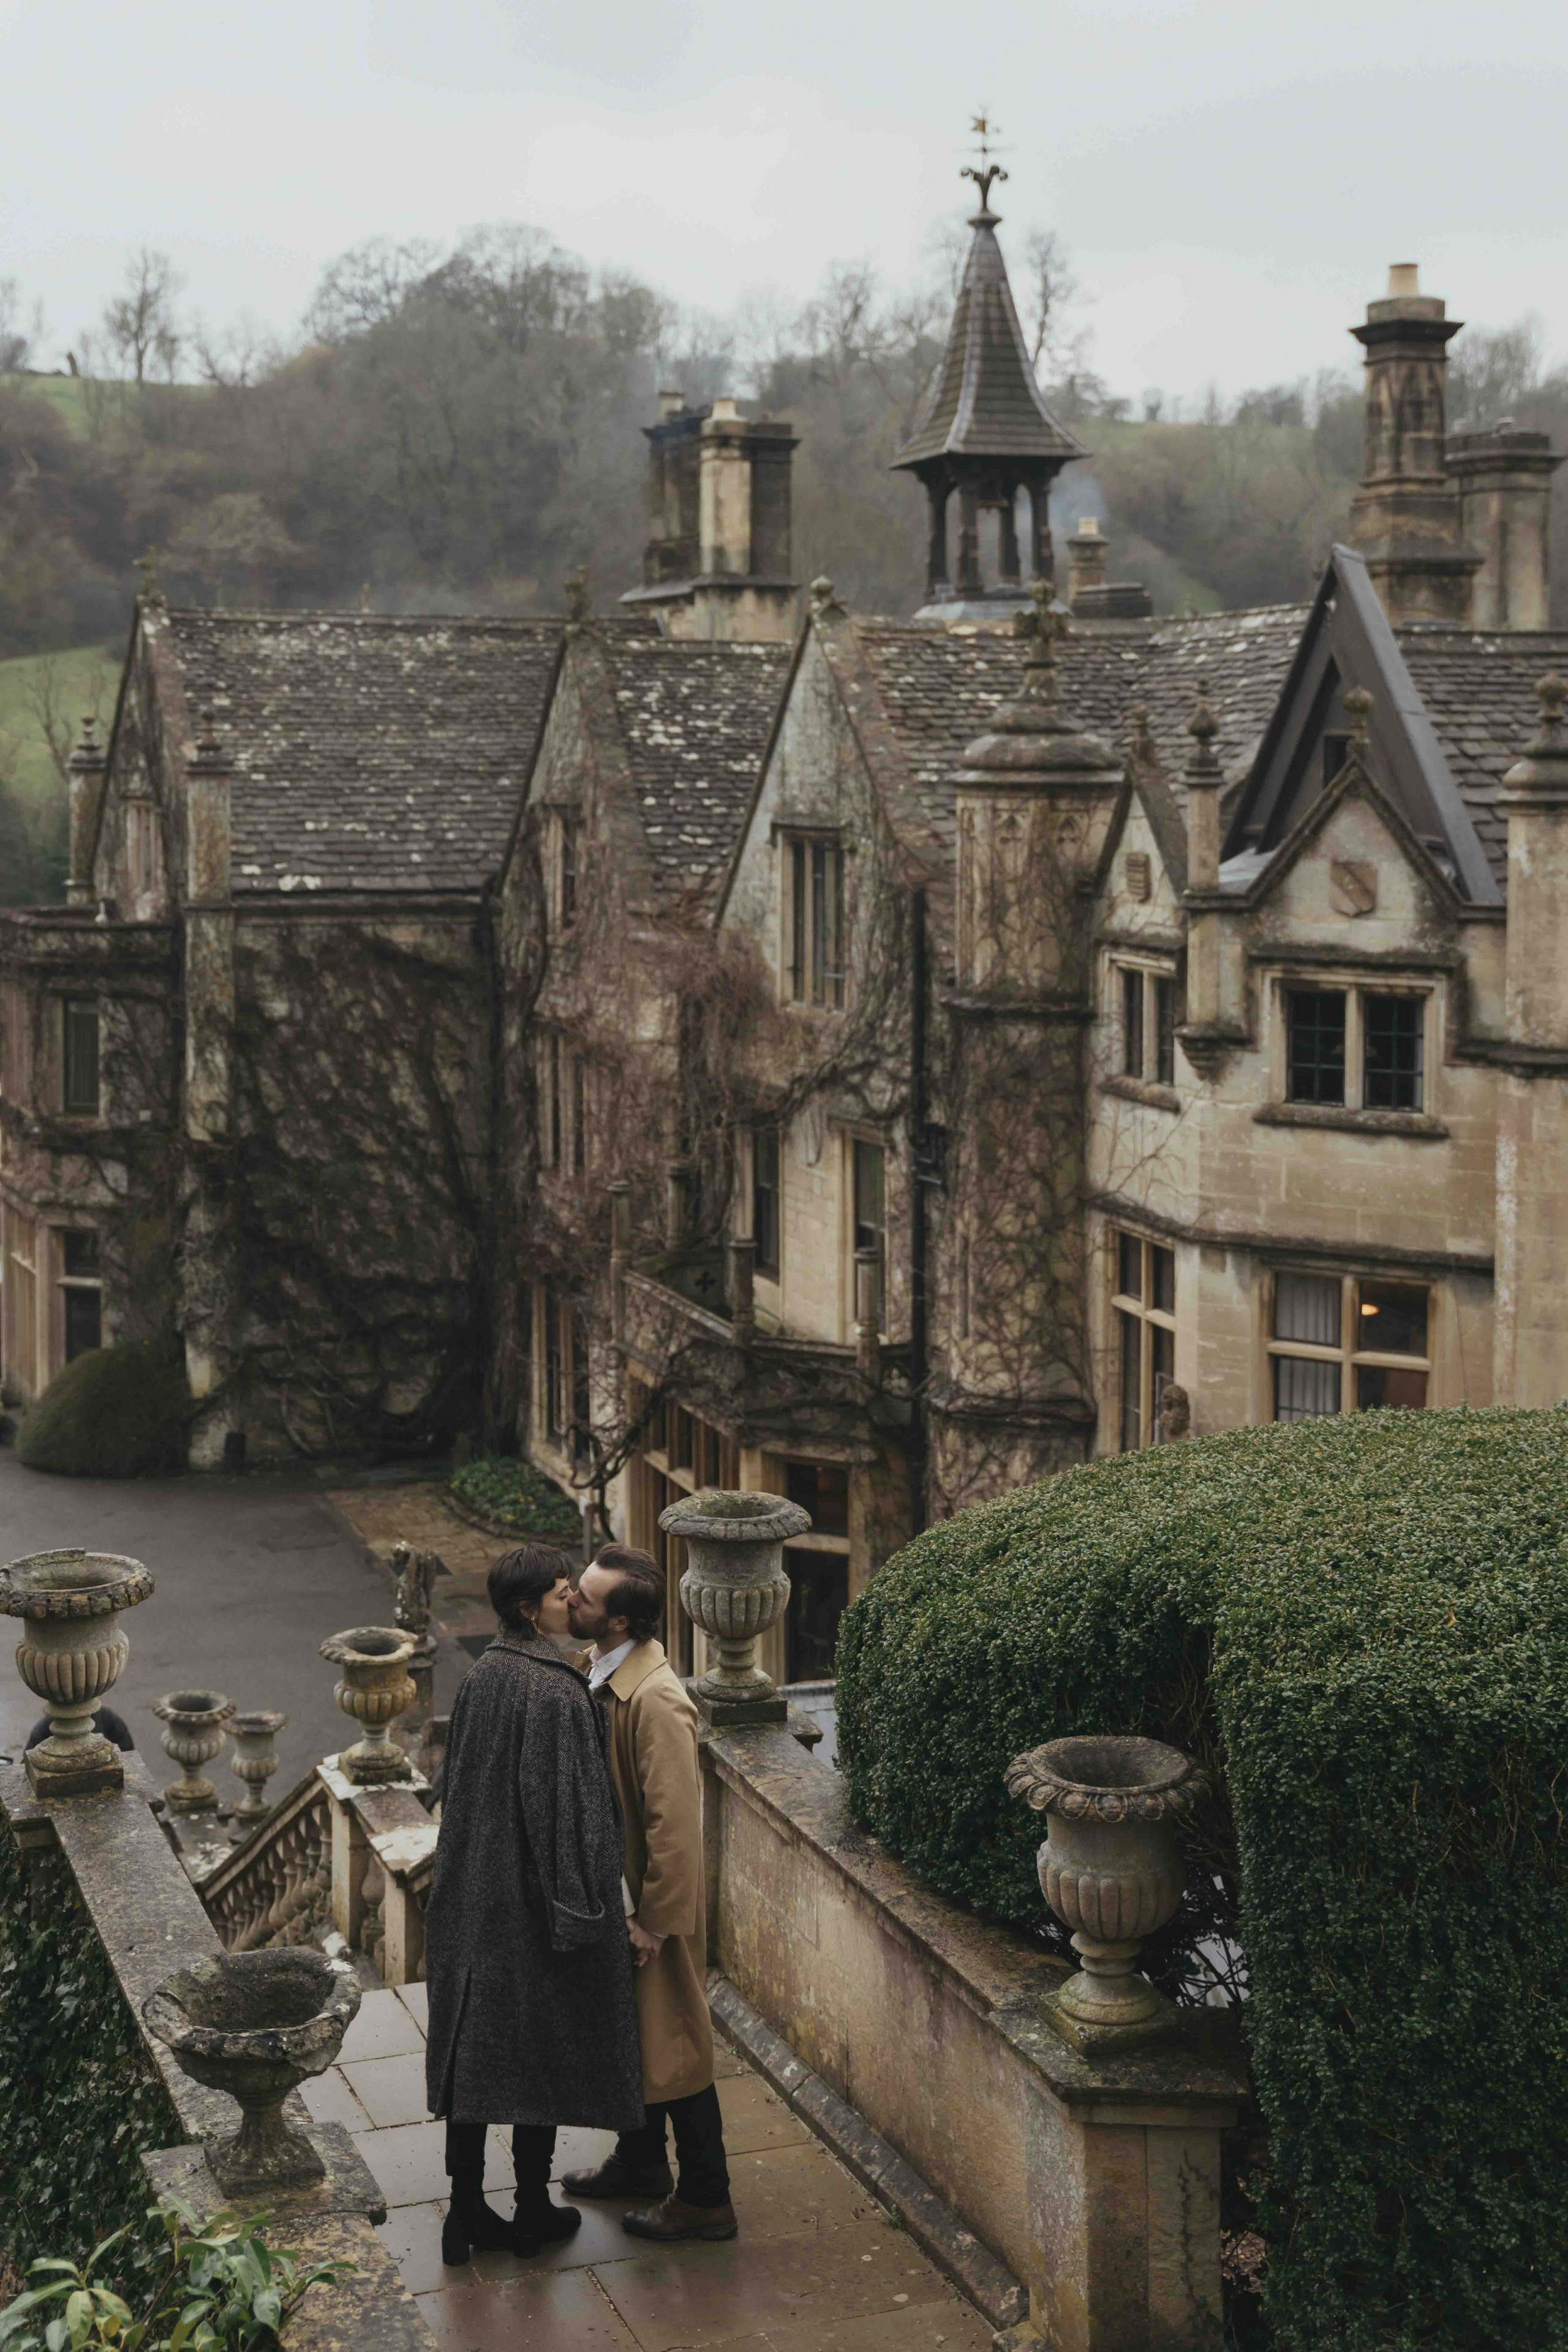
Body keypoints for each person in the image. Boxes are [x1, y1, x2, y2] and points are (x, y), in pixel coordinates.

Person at [423, 1544, 644, 2266]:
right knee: (535, 2063)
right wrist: (586, 1912)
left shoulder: (485, 1672)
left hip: (470, 1901)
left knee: (474, 2063)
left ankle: (464, 2216)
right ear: (528, 1609)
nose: (571, 1603)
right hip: (529, 1910)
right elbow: (571, 1817)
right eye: (559, 1593)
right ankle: (530, 2209)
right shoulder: (554, 1692)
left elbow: (452, 1785)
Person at [564, 1543, 737, 2242]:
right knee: (642, 2040)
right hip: (622, 1901)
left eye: (583, 1597)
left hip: (651, 1911)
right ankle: (641, 2163)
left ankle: (706, 2198)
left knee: (676, 2047)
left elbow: (676, 1829)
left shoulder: (658, 1699)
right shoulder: (603, 1671)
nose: (569, 1599)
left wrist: (658, 1925)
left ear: (618, 1622)